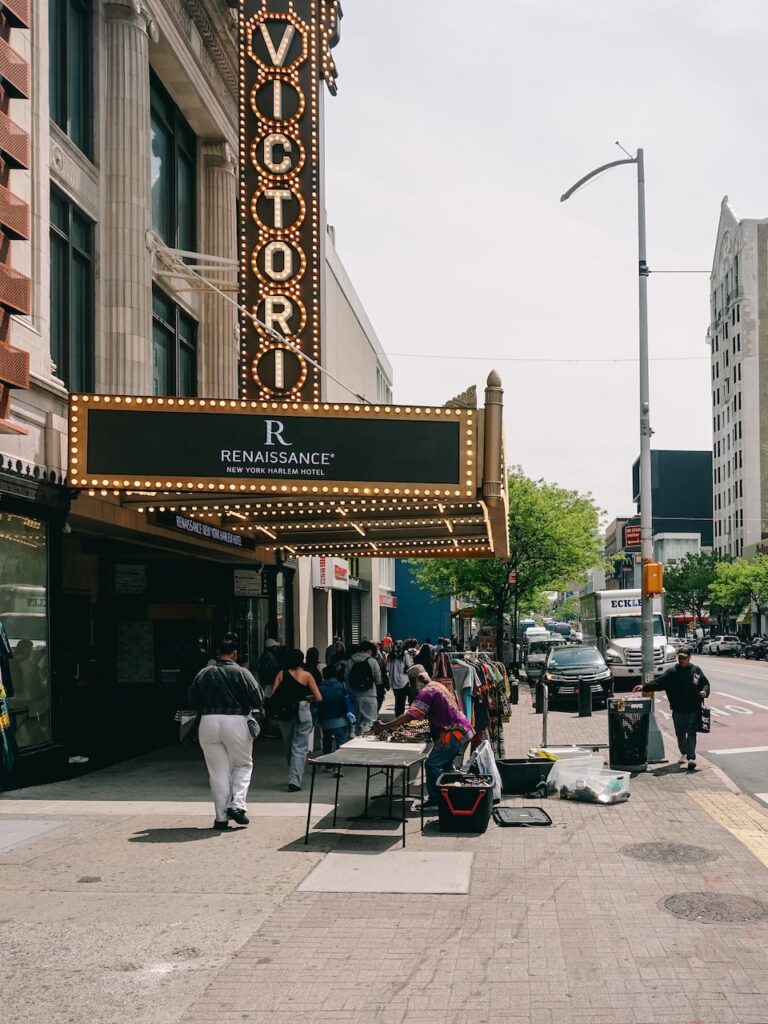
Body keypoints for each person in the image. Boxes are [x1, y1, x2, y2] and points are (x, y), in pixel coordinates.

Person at [187, 639, 264, 830]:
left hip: (208, 721)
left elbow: (191, 698)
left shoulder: (204, 673)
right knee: (243, 764)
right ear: (235, 654)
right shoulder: (242, 673)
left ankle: (220, 817)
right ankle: (237, 805)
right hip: (236, 720)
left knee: (217, 771)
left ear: (217, 653)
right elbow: (258, 698)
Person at [372, 667, 474, 811]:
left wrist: (384, 726)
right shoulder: (437, 685)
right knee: (446, 765)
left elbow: (411, 715)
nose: (413, 688)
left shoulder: (427, 691)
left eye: (413, 684)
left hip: (452, 734)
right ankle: (453, 796)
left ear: (420, 679)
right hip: (463, 730)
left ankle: (436, 800)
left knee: (431, 764)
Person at [633, 646, 710, 770]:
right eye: (680, 658)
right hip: (678, 710)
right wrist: (644, 687)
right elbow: (659, 683)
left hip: (693, 709)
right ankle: (684, 752)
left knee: (691, 733)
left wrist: (705, 692)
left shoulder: (696, 670)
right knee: (680, 735)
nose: (681, 660)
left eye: (684, 658)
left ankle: (691, 758)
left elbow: (705, 683)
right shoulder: (672, 672)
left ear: (689, 658)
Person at [270, 648, 322, 791]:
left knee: (288, 744)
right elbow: (318, 697)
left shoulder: (281, 674)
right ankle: (294, 779)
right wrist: (307, 698)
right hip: (303, 710)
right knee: (300, 747)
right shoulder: (307, 675)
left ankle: (293, 772)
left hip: (285, 712)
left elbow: (274, 695)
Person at [317, 662, 351, 763]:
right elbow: (352, 698)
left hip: (325, 720)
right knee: (341, 742)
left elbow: (316, 704)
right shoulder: (342, 686)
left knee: (327, 742)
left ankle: (328, 764)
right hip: (340, 719)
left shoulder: (320, 688)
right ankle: (339, 765)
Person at [345, 640, 381, 734]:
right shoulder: (372, 661)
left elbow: (346, 679)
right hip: (370, 696)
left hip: (354, 696)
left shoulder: (349, 661)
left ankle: (356, 739)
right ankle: (366, 742)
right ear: (369, 650)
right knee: (369, 722)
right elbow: (378, 680)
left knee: (356, 722)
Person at [388, 642, 412, 716]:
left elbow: (387, 668)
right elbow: (410, 665)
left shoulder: (390, 656)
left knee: (398, 701)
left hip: (394, 682)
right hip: (404, 681)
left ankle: (398, 717)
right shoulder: (405, 654)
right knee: (405, 700)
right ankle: (403, 718)